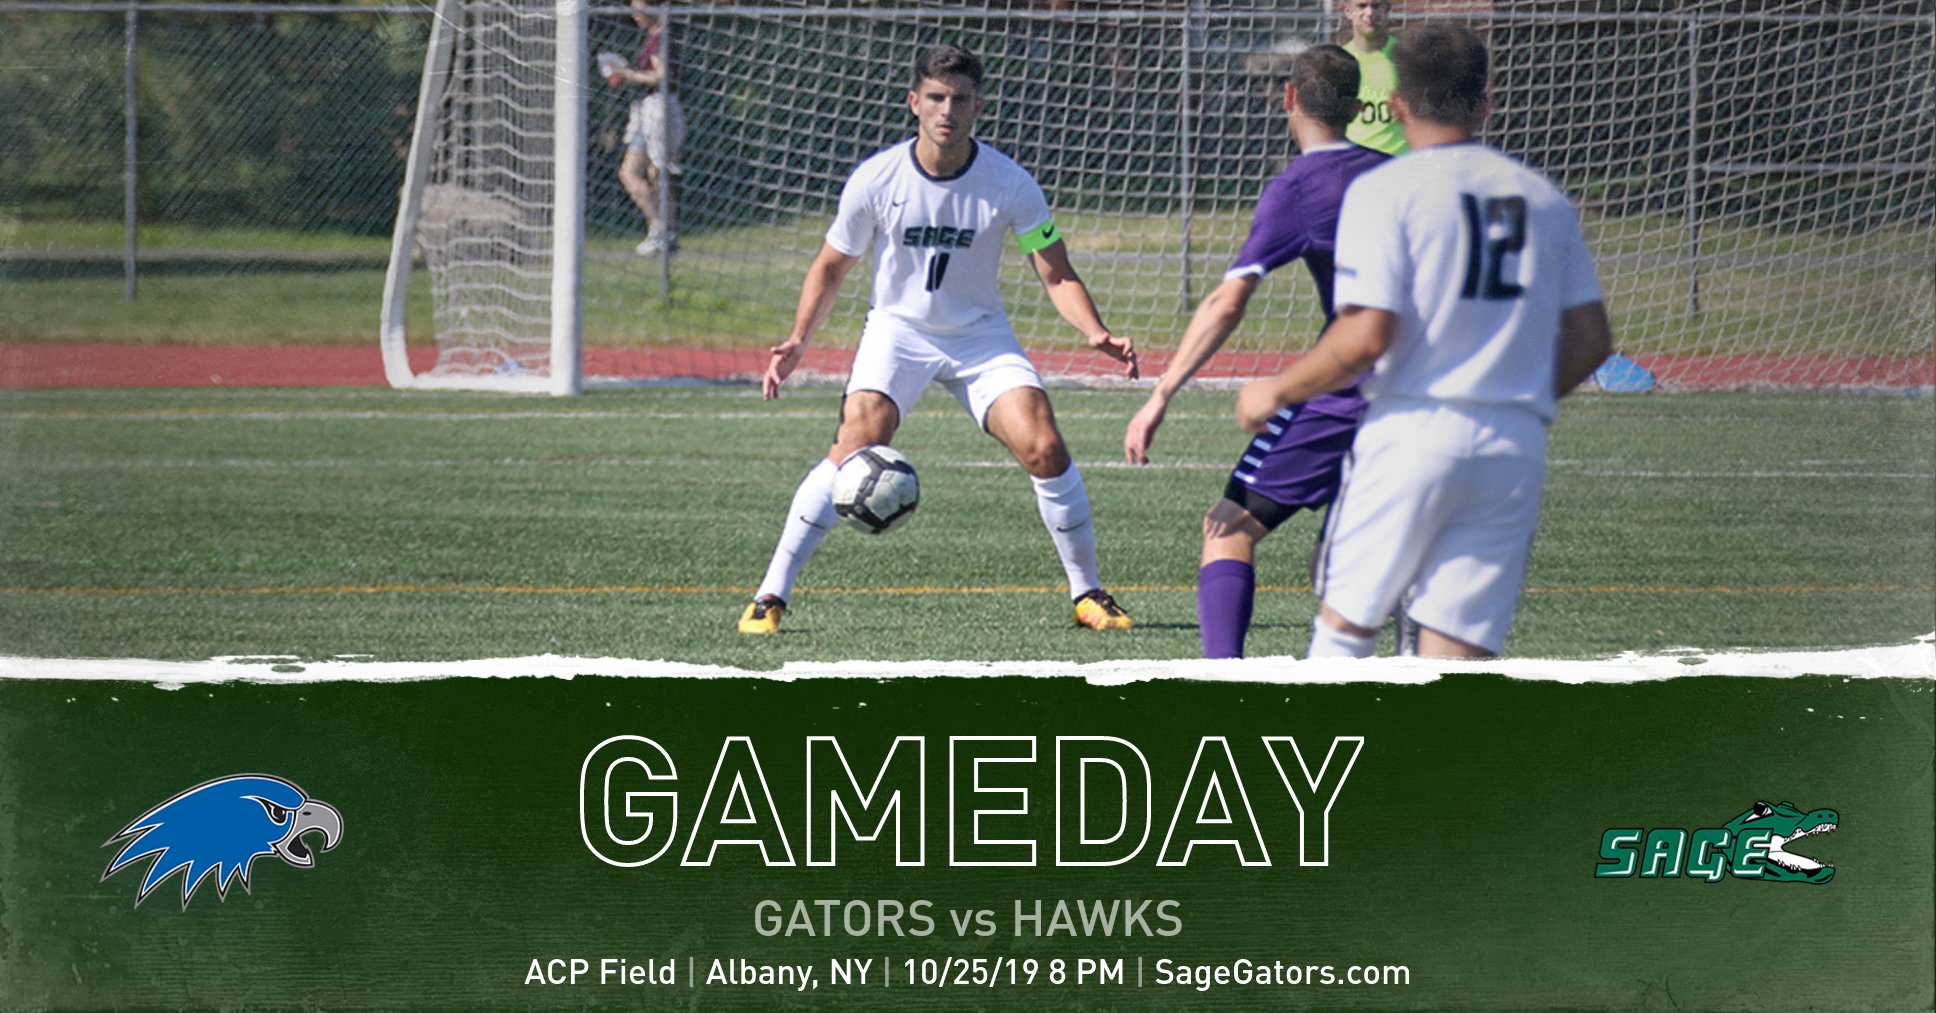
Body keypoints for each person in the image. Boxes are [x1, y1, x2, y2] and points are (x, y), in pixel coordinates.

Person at [1236, 23, 1613, 660]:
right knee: (1454, 657)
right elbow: (1592, 339)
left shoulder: (1385, 191)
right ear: (1484, 105)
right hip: (1509, 449)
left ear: (1400, 105)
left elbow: (1364, 336)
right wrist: (1515, 398)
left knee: (1345, 632)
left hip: (1412, 431)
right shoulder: (1542, 197)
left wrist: (1278, 388)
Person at [739, 44, 1140, 636]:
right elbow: (830, 267)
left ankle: (1088, 595)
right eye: (934, 97)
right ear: (914, 102)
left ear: (978, 106)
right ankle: (770, 596)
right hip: (899, 332)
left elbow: (1055, 271)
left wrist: (1095, 330)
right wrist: (799, 339)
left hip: (980, 337)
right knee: (856, 439)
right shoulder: (876, 179)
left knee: (1044, 446)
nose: (946, 110)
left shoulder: (1010, 183)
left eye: (958, 99)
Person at [1123, 45, 1389, 659]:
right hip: (1432, 389)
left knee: (1228, 525)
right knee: (1372, 554)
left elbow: (1227, 302)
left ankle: (1225, 689)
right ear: (1356, 107)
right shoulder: (1397, 173)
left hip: (1350, 388)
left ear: (1289, 100)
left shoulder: (1298, 187)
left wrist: (1159, 395)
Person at [613, 0, 685, 256]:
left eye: (640, 8)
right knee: (629, 171)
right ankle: (659, 227)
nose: (635, 15)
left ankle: (665, 232)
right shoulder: (651, 38)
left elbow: (662, 75)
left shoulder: (661, 38)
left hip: (660, 108)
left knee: (658, 172)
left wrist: (630, 75)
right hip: (646, 108)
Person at [1338, 0, 1408, 156]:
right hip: (1355, 164)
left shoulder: (1407, 57)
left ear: (1387, 9)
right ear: (1348, 11)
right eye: (1362, 6)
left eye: (1376, 6)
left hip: (1399, 163)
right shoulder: (1339, 60)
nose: (1369, 13)